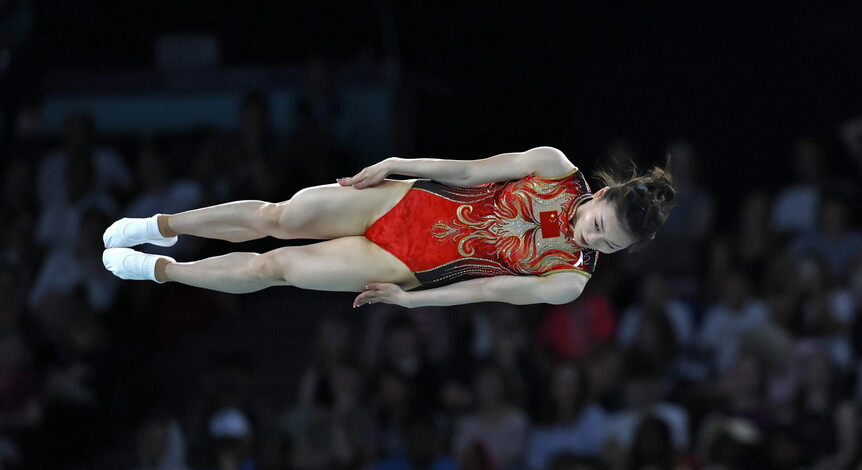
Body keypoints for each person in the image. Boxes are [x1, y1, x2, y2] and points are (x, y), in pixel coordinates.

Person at [102, 147, 675, 308]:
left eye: (609, 244)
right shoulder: (554, 167)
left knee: (273, 266)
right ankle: (160, 223)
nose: (592, 239)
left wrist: (408, 302)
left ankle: (162, 270)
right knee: (278, 217)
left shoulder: (570, 280)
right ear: (600, 194)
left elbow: (487, 289)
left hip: (410, 264)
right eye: (600, 224)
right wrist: (399, 164)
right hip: (405, 202)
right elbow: (472, 170)